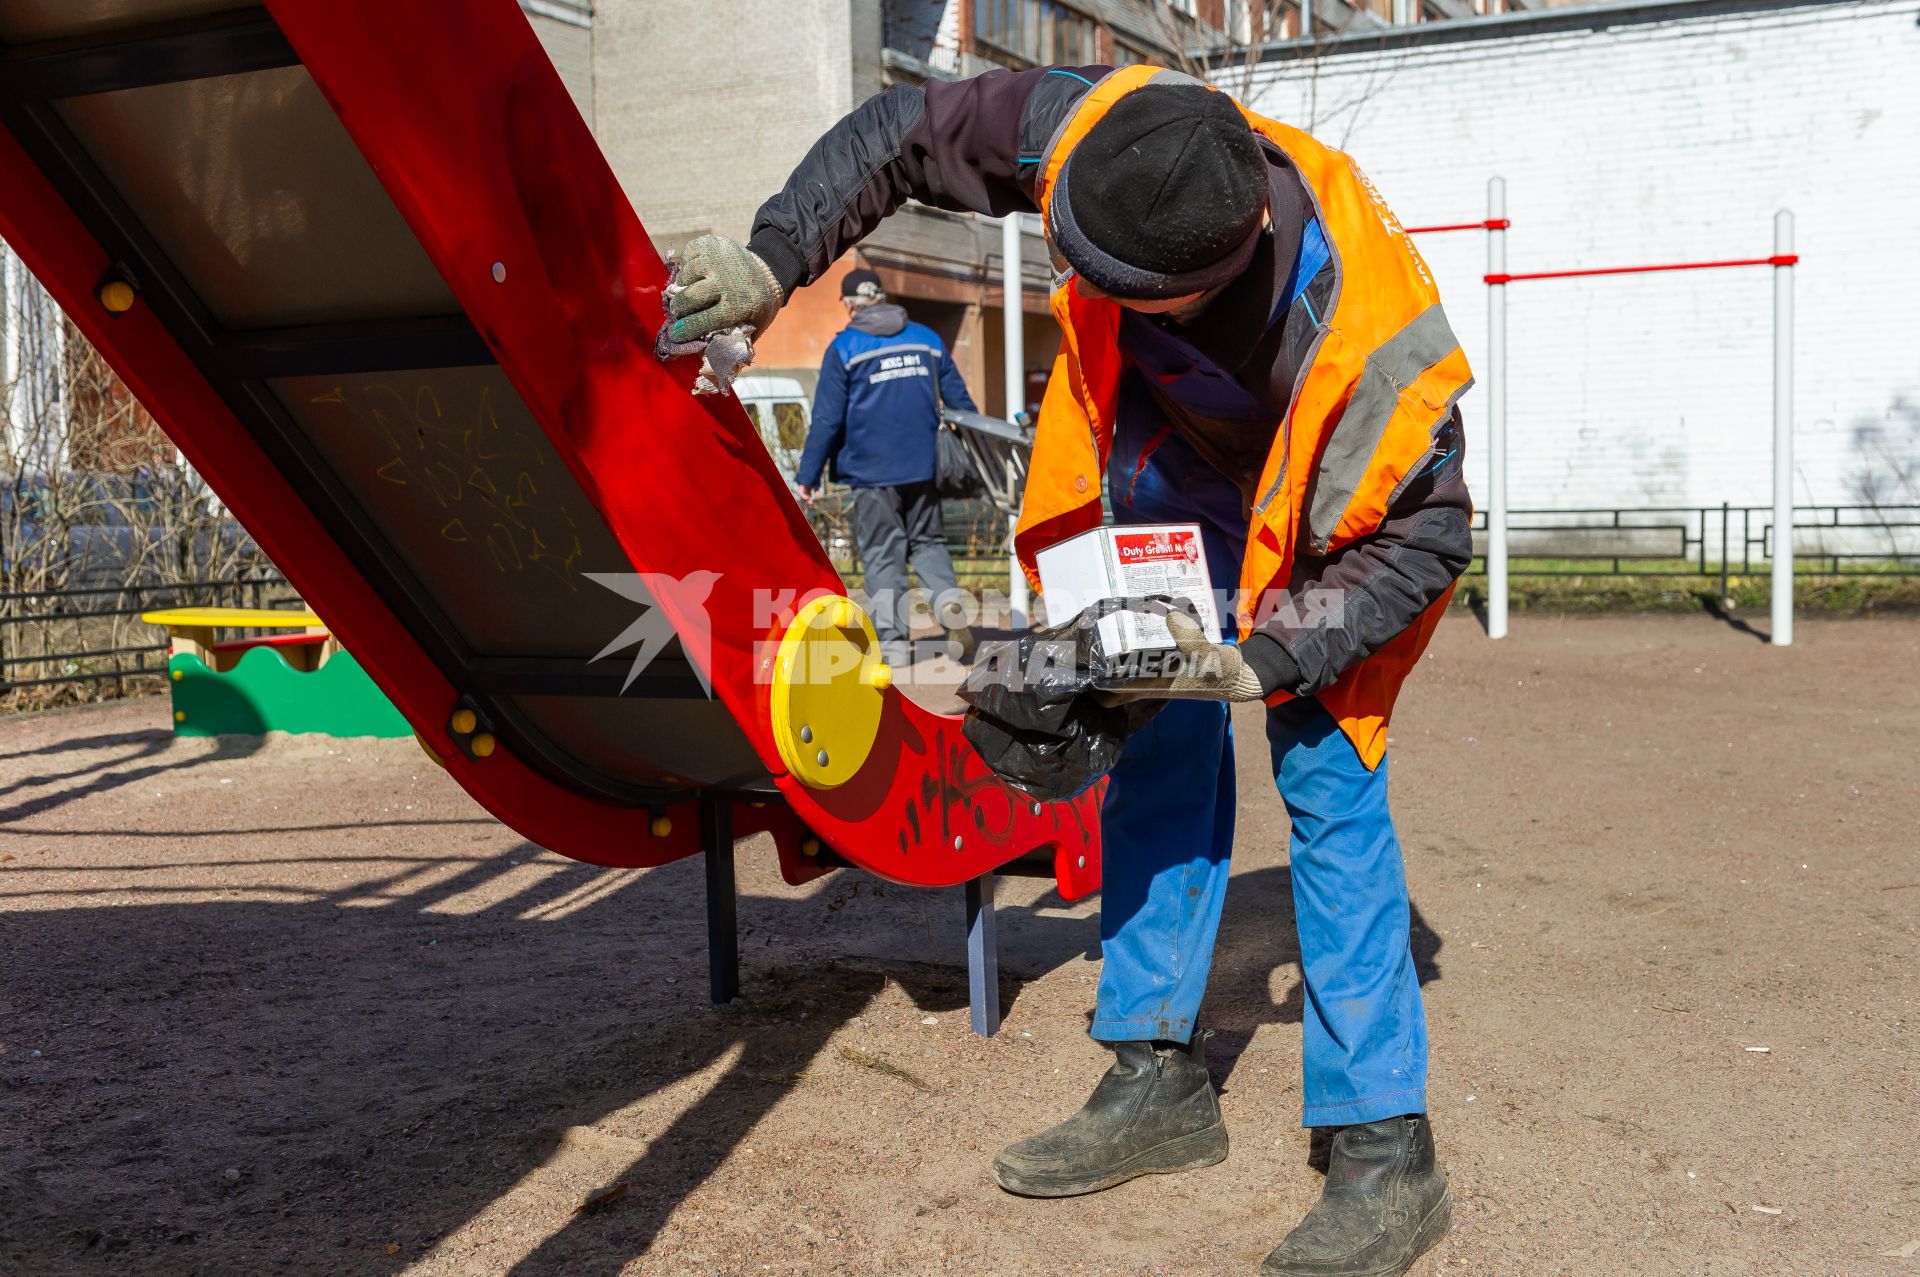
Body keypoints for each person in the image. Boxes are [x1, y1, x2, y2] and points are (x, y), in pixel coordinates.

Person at [662, 64, 1473, 1277]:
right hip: (1173, 485)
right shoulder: (1107, 128)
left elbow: (1427, 535)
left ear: (1235, 250)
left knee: (1328, 781)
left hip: (1329, 524)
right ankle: (1158, 1077)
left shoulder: (1375, 349)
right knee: (1149, 739)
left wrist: (1263, 660)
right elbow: (907, 131)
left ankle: (1381, 1147)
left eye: (1133, 295)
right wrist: (780, 255)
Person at [791, 267, 978, 661]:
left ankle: (892, 644)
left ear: (849, 304)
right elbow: (962, 406)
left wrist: (808, 476)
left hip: (871, 473)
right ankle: (948, 606)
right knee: (928, 543)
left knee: (881, 551)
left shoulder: (845, 349)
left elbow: (827, 419)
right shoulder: (927, 340)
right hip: (924, 468)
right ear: (881, 297)